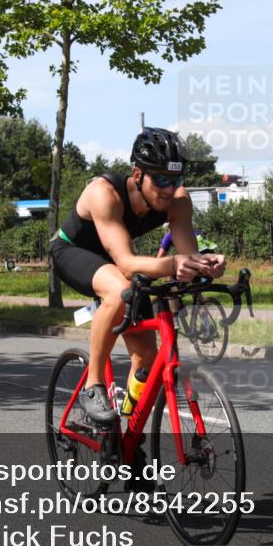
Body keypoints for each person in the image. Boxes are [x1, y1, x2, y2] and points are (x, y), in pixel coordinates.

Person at [50, 127, 226, 425]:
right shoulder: (104, 193)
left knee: (147, 357)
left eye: (176, 180)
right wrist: (176, 264)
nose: (169, 189)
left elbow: (185, 255)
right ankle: (93, 385)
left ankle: (128, 440)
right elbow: (128, 264)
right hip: (72, 251)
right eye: (160, 179)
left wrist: (203, 266)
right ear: (137, 174)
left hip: (115, 258)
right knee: (119, 290)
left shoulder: (178, 201)